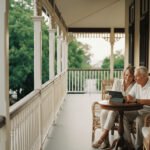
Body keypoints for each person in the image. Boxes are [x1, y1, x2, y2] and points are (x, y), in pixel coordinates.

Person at [92, 65, 135, 149]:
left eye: (130, 76)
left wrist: (124, 99)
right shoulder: (118, 82)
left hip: (127, 110)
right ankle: (106, 142)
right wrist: (110, 97)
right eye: (126, 75)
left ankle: (102, 137)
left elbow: (133, 100)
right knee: (104, 113)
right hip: (115, 107)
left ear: (133, 77)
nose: (128, 77)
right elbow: (112, 97)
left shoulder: (135, 86)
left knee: (112, 112)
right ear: (123, 74)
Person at [125, 66, 150, 150]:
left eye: (136, 76)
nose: (134, 78)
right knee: (123, 115)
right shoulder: (137, 84)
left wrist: (136, 100)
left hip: (147, 111)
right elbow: (130, 95)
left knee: (139, 119)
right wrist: (129, 97)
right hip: (137, 109)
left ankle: (138, 146)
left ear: (144, 76)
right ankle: (129, 143)